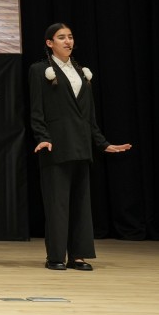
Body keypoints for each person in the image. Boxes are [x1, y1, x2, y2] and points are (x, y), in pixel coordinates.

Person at [29, 23, 132, 271]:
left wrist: (102, 143)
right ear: (49, 43)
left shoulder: (81, 72)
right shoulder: (40, 70)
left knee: (80, 204)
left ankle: (78, 255)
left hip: (81, 146)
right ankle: (55, 256)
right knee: (57, 205)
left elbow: (89, 116)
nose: (68, 41)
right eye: (61, 37)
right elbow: (36, 110)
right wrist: (42, 136)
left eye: (71, 37)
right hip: (55, 145)